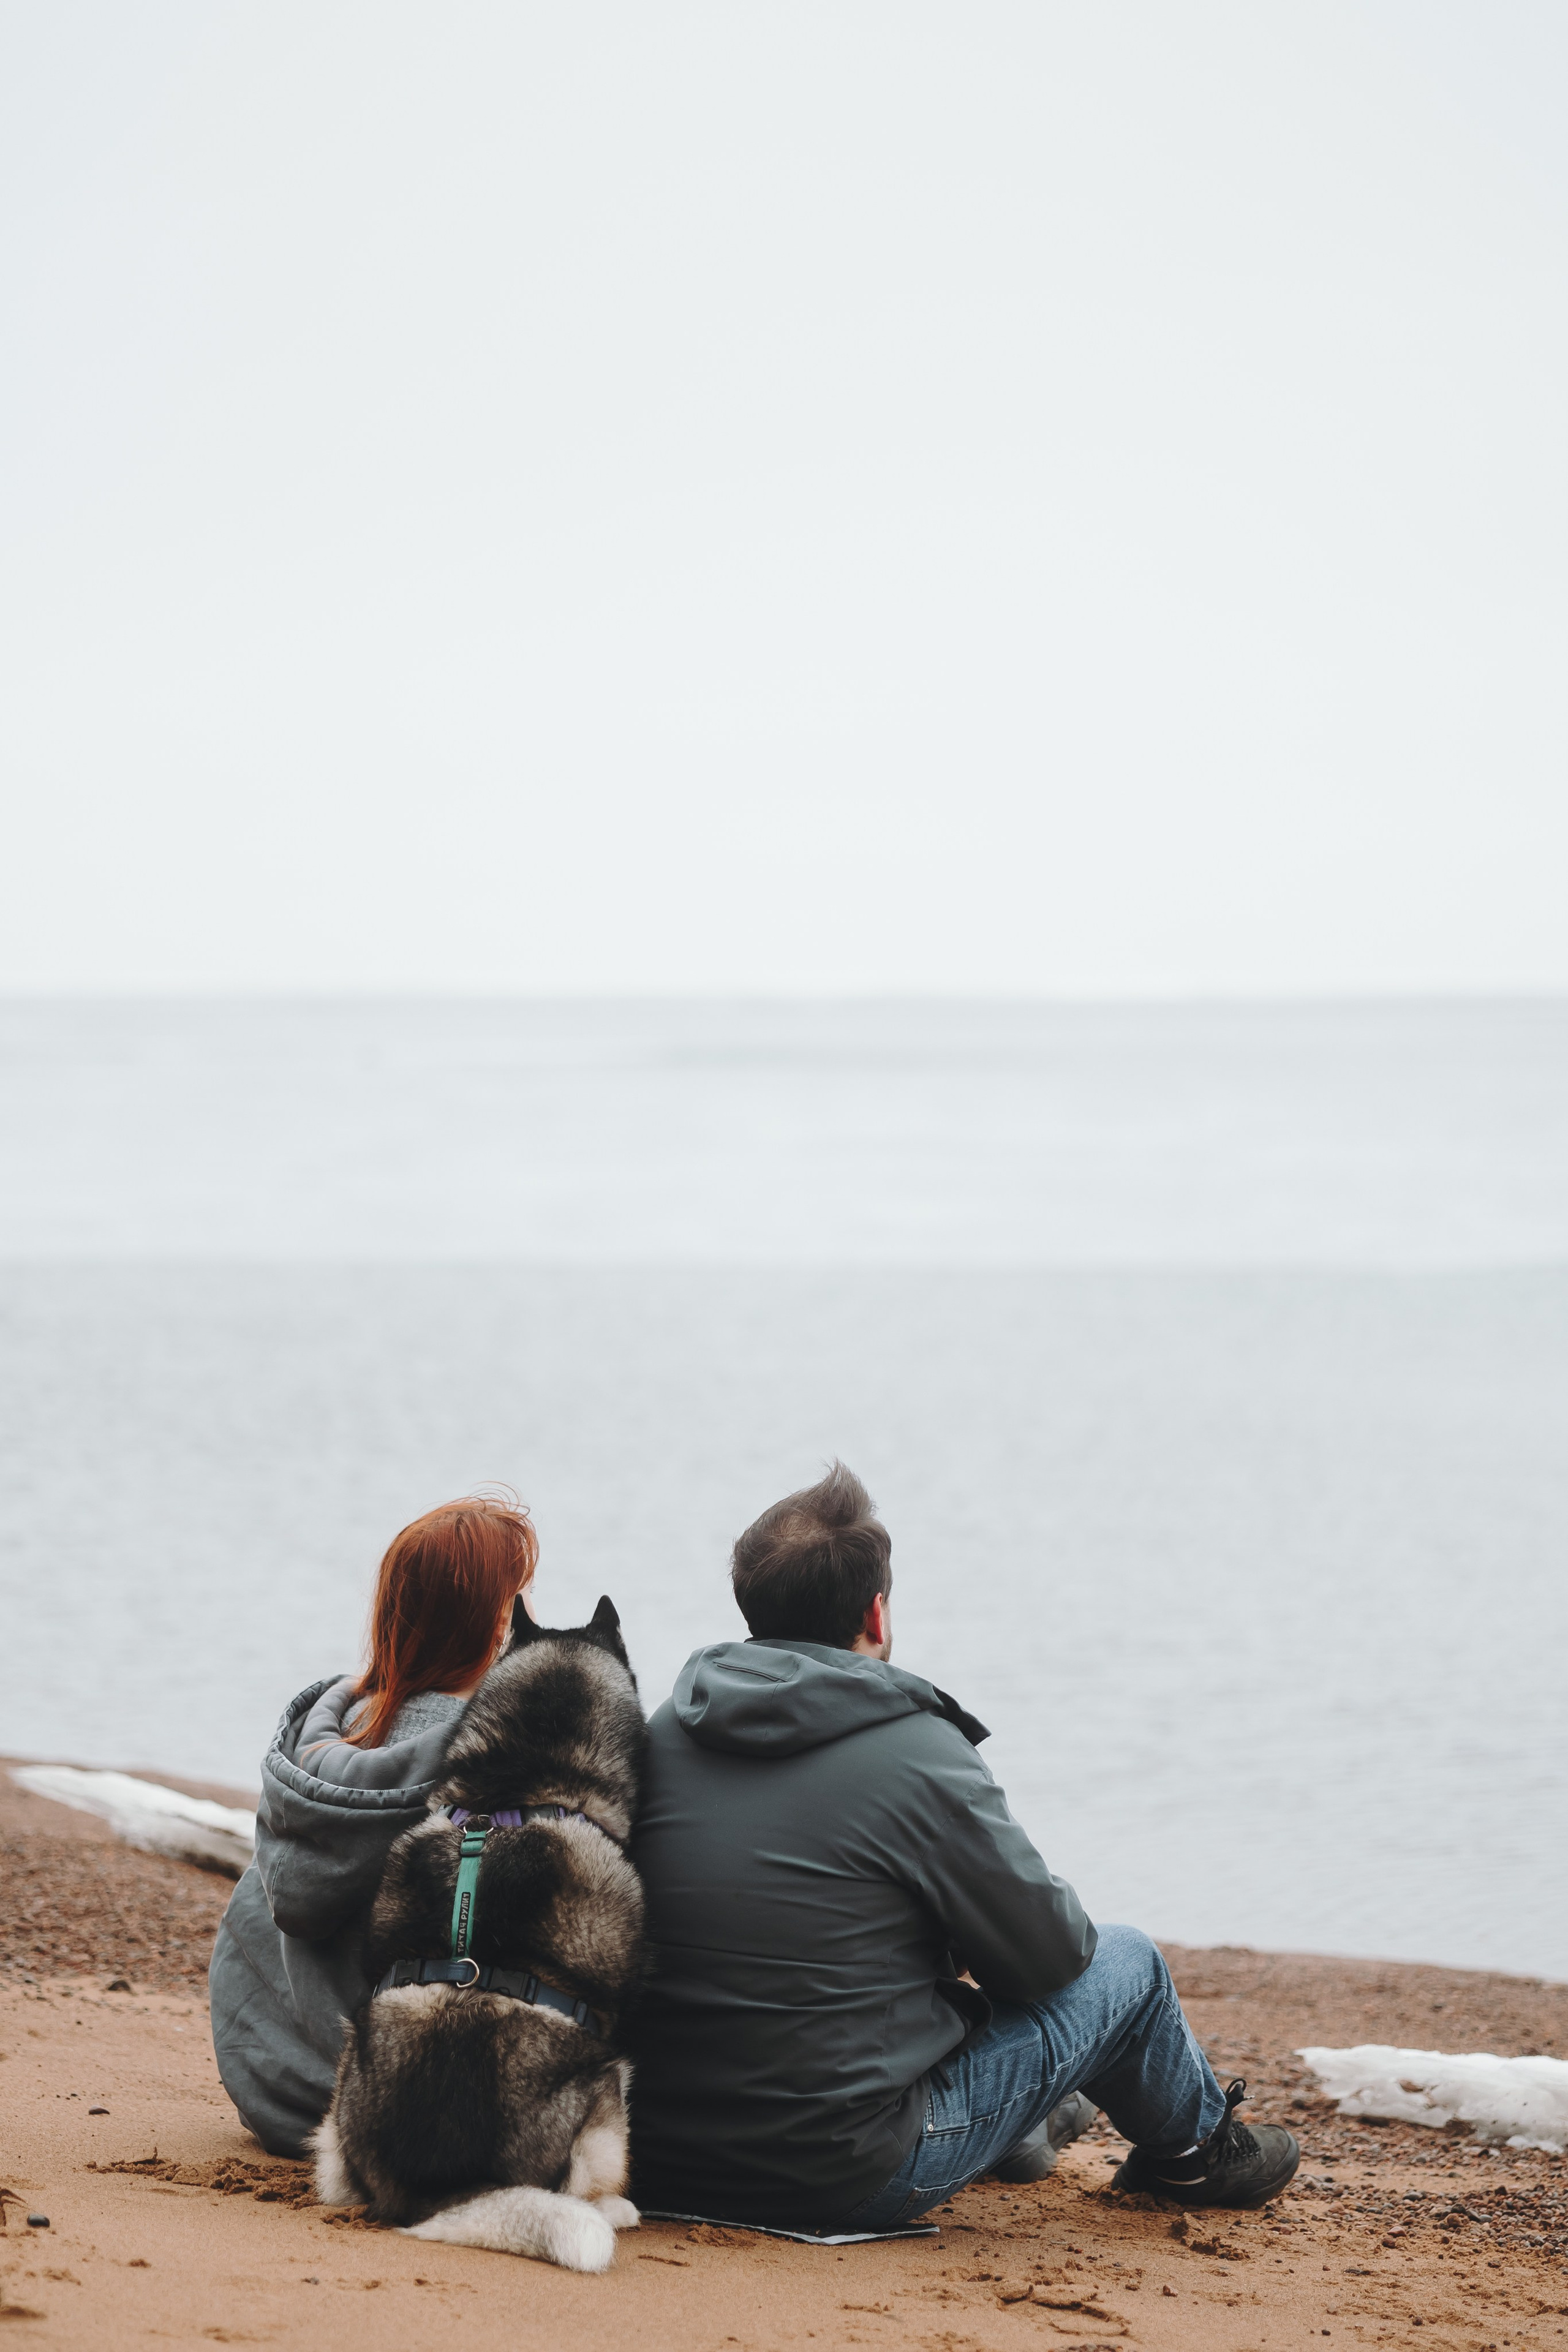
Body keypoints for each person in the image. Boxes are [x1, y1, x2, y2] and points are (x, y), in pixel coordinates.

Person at [627, 1464, 1299, 2229]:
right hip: (839, 2176)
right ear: (876, 1615)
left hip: (649, 2157)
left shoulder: (659, 1732)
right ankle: (1196, 2156)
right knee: (1130, 1965)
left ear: (752, 1607)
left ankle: (1021, 2131)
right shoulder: (917, 1750)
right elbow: (1050, 1959)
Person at [209, 1494, 538, 2157]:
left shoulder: (317, 1754)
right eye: (521, 1601)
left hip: (278, 2092)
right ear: (498, 1622)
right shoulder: (496, 1771)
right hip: (402, 2107)